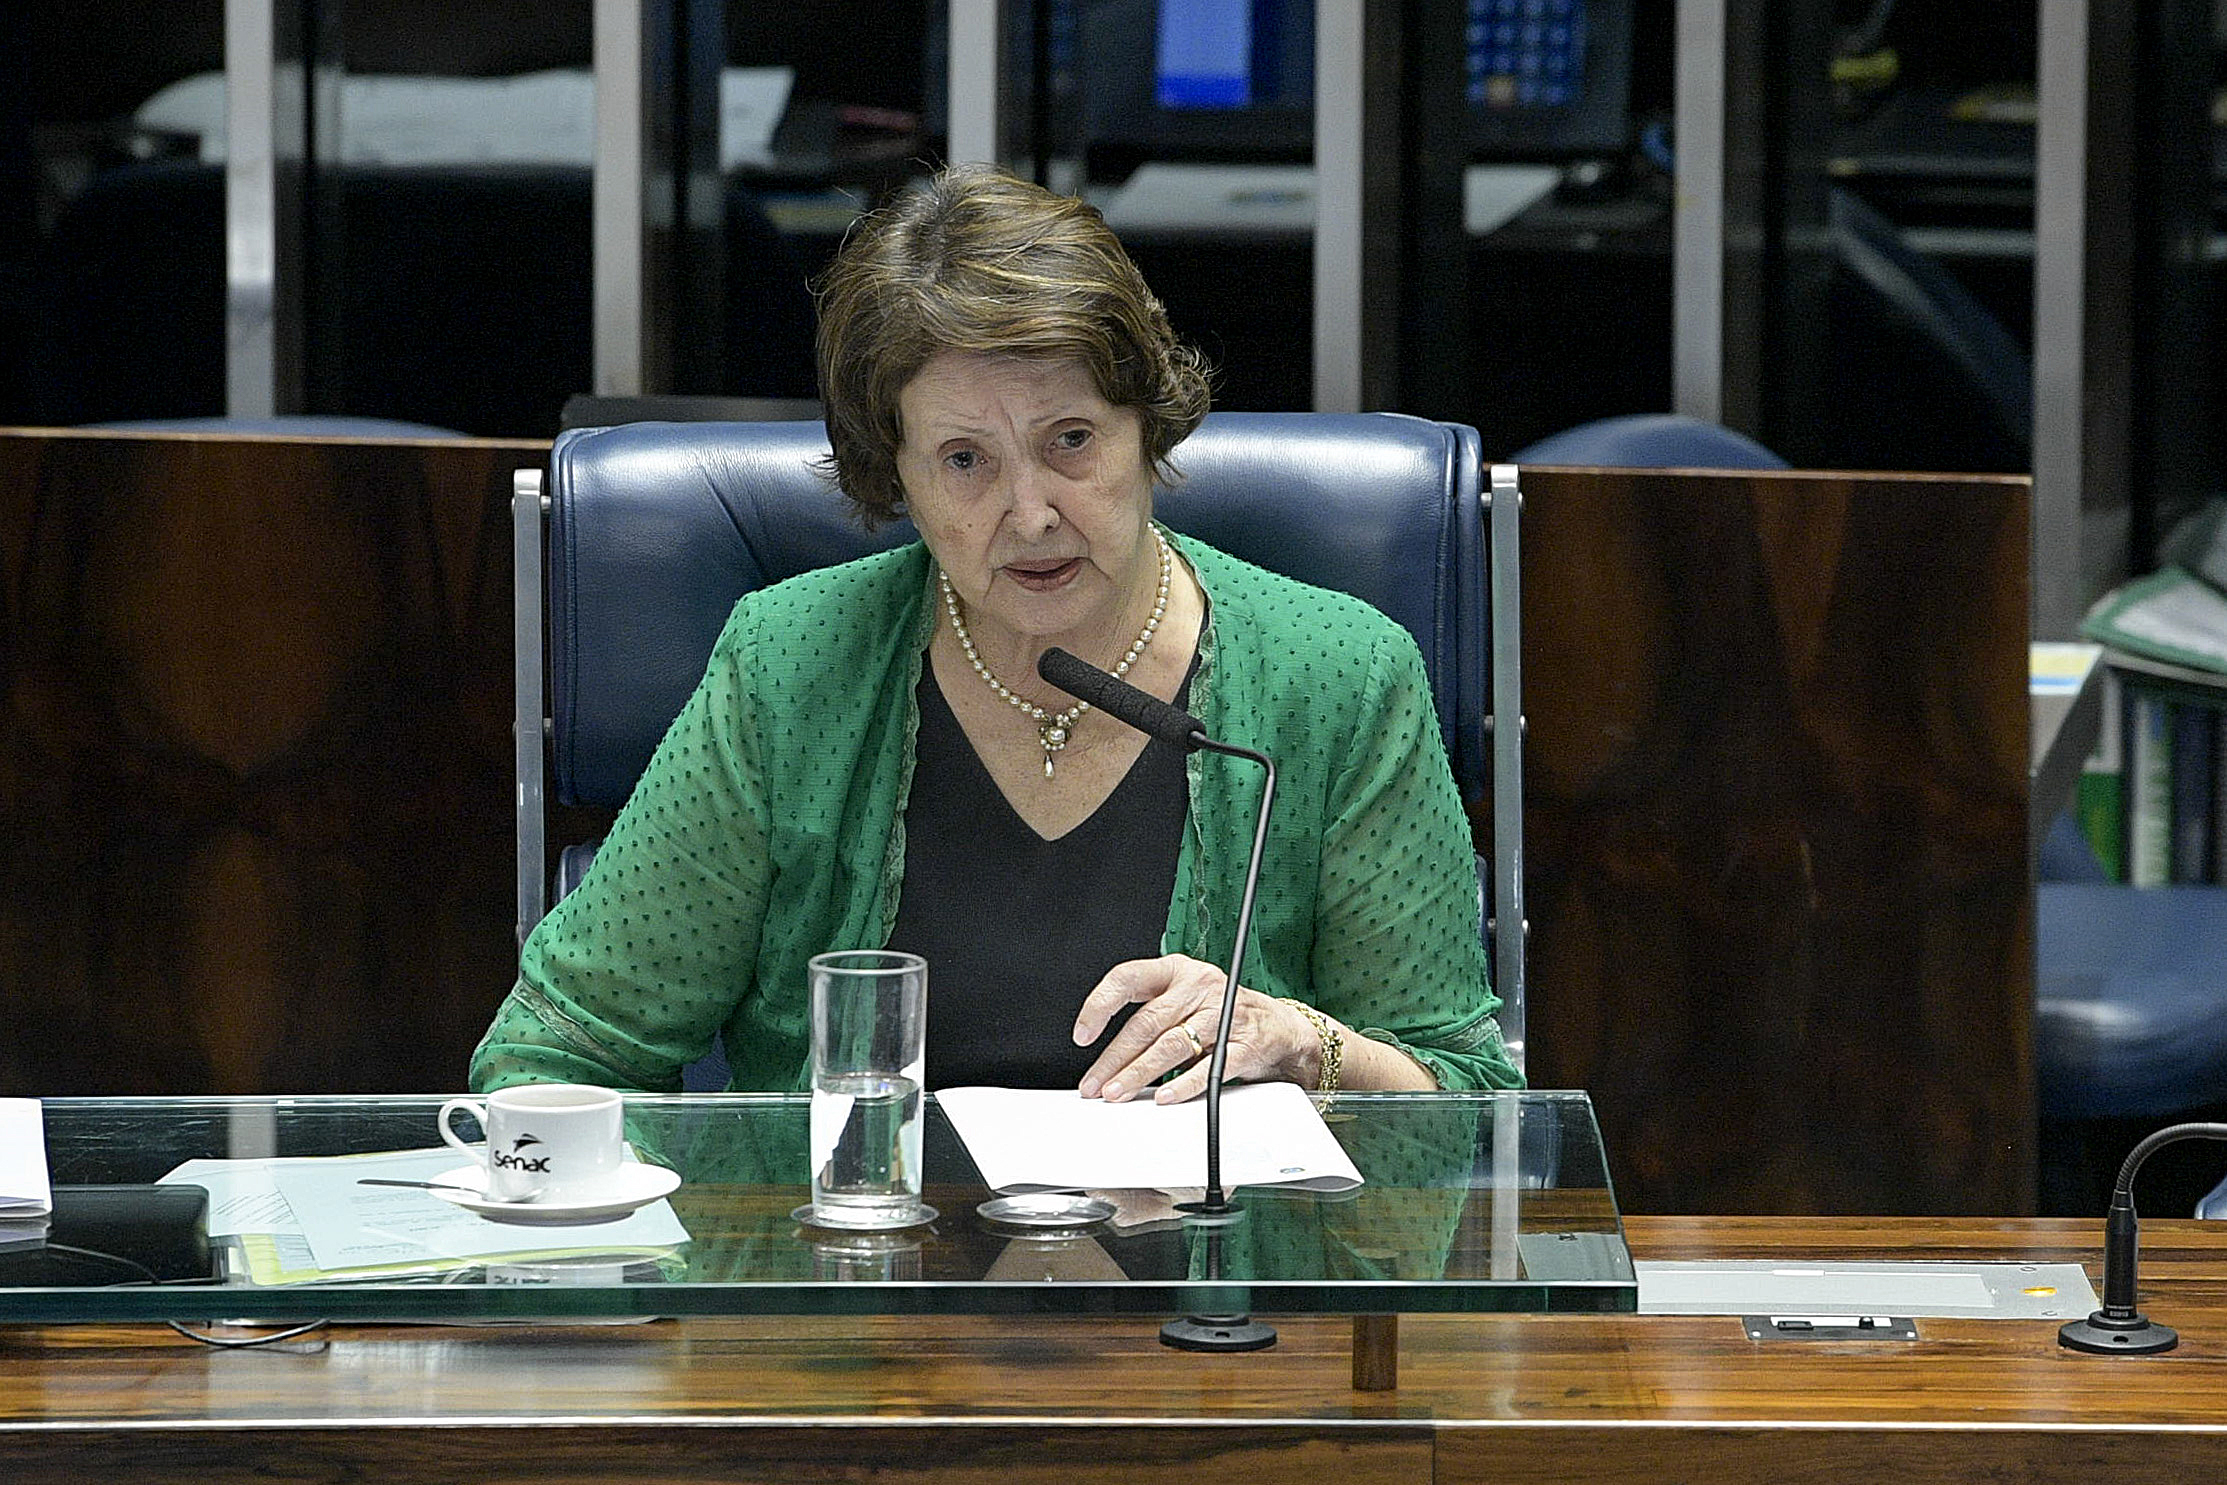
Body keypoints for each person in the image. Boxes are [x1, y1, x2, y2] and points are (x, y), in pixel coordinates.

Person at [471, 163, 1519, 1101]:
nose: (1029, 513)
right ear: (897, 475)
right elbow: (557, 1055)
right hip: (859, 1287)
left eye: (1070, 441)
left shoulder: (1339, 674)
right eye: (965, 459)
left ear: (1148, 429)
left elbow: (1468, 1103)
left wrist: (1303, 1046)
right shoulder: (791, 664)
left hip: (1217, 1296)